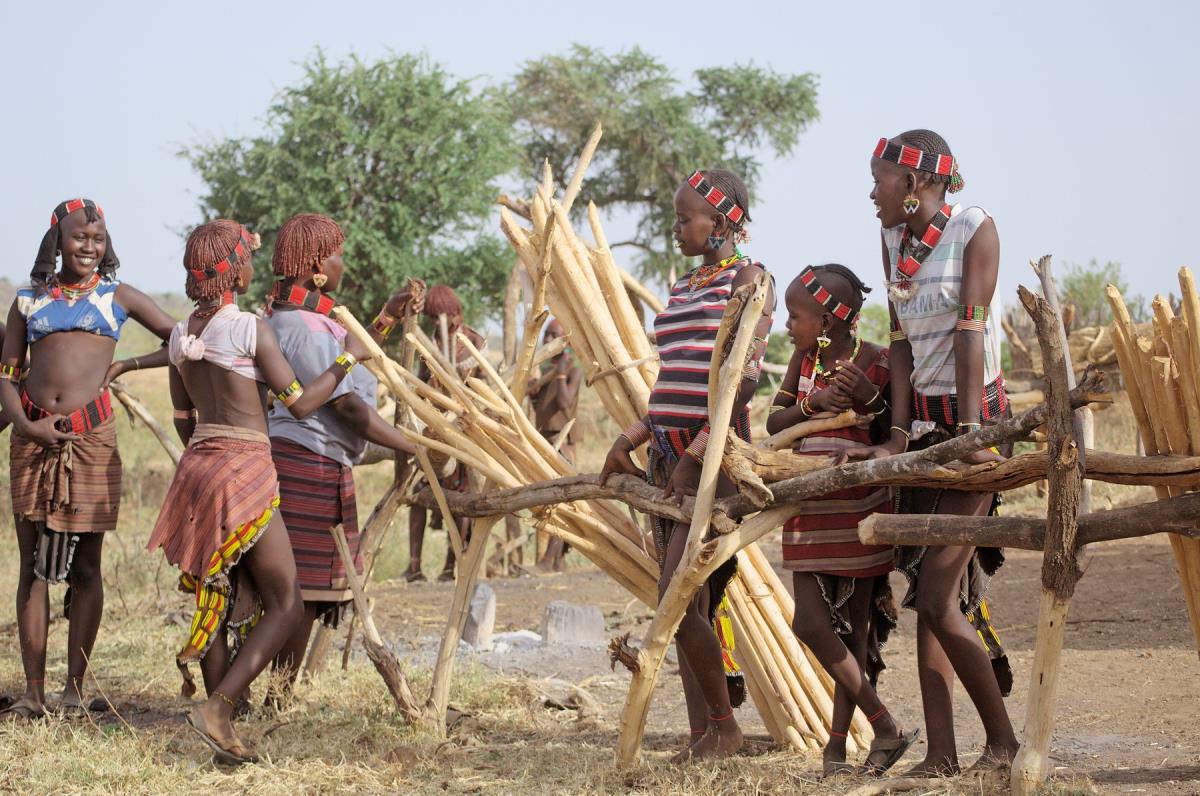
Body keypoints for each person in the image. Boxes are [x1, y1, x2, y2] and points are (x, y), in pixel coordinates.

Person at [146, 219, 370, 764]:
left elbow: (183, 419)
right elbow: (299, 402)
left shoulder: (182, 336)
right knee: (287, 600)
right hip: (242, 472)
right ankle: (220, 706)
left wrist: (212, 446)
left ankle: (222, 732)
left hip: (197, 469)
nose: (255, 262)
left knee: (215, 596)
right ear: (235, 270)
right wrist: (350, 358)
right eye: (248, 255)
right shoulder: (250, 328)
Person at [849, 129, 1018, 775]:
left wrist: (973, 434)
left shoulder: (976, 228)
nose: (872, 193)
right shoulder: (894, 237)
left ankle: (1003, 745)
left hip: (975, 427)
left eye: (879, 181)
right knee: (926, 591)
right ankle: (942, 755)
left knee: (942, 598)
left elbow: (970, 332)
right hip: (921, 427)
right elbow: (897, 340)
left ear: (915, 185)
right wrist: (897, 430)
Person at [600, 169, 774, 761]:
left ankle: (725, 728)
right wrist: (631, 436)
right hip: (667, 451)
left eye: (684, 219)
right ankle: (706, 733)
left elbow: (743, 381)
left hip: (716, 451)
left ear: (722, 221)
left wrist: (696, 456)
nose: (675, 228)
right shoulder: (682, 285)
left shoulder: (751, 280)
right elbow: (670, 379)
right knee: (684, 599)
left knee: (679, 590)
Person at [0, 199, 176, 720]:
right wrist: (29, 425)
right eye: (80, 238)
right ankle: (34, 692)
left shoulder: (115, 296)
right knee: (32, 568)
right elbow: (7, 377)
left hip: (91, 442)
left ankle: (74, 689)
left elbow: (183, 338)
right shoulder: (28, 300)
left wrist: (128, 364)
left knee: (86, 567)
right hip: (32, 441)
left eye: (98, 240)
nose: (89, 247)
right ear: (57, 240)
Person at [262, 213, 422, 696]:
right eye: (337, 255)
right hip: (308, 459)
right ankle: (277, 694)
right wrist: (412, 446)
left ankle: (279, 693)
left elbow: (347, 355)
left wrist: (387, 317)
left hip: (314, 457)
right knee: (302, 594)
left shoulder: (302, 320)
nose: (342, 264)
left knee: (303, 591)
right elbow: (348, 404)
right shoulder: (306, 329)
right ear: (315, 266)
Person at [767, 264, 917, 776]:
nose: (788, 325)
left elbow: (893, 424)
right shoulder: (803, 361)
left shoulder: (876, 359)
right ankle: (886, 726)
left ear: (829, 319)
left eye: (796, 315)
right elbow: (774, 420)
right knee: (810, 622)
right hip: (810, 507)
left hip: (860, 507)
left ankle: (835, 753)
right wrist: (816, 403)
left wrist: (864, 397)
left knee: (854, 636)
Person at [405, 285, 485, 583]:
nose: (442, 322)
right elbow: (420, 385)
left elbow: (485, 387)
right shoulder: (430, 342)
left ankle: (454, 564)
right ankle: (414, 566)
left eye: (445, 315)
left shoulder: (474, 340)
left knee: (461, 496)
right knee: (418, 493)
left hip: (467, 429)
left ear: (456, 312)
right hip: (433, 429)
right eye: (434, 317)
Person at [529, 318, 581, 572]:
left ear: (566, 341)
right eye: (546, 335)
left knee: (561, 499)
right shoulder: (542, 368)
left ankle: (549, 560)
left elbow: (564, 403)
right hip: (545, 438)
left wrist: (559, 374)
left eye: (553, 336)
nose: (548, 340)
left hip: (563, 440)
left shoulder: (571, 368)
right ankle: (556, 561)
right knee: (547, 499)